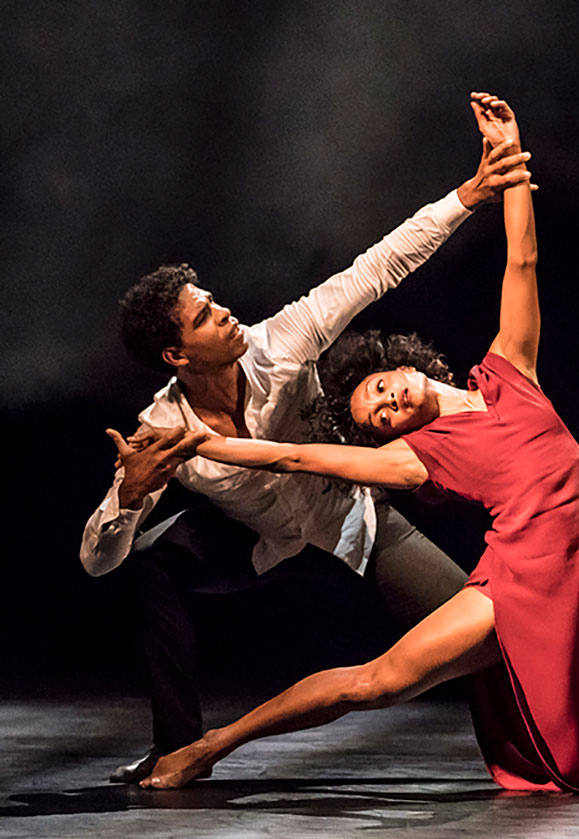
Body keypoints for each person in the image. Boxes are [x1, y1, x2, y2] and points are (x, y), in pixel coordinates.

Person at [118, 93, 579, 795]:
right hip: (520, 593)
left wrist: (510, 163)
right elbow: (293, 456)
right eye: (379, 418)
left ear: (404, 365)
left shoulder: (510, 370)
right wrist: (198, 445)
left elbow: (522, 260)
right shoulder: (417, 457)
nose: (388, 404)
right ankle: (212, 745)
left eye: (381, 389)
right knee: (376, 683)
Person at [81, 119, 536, 783]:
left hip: (353, 523)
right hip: (257, 543)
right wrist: (126, 498)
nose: (227, 314)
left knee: (481, 632)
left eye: (214, 303)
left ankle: (530, 757)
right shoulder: (161, 426)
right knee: (151, 560)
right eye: (207, 317)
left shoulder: (282, 341)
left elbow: (375, 269)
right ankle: (177, 747)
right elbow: (97, 562)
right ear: (177, 355)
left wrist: (466, 196)